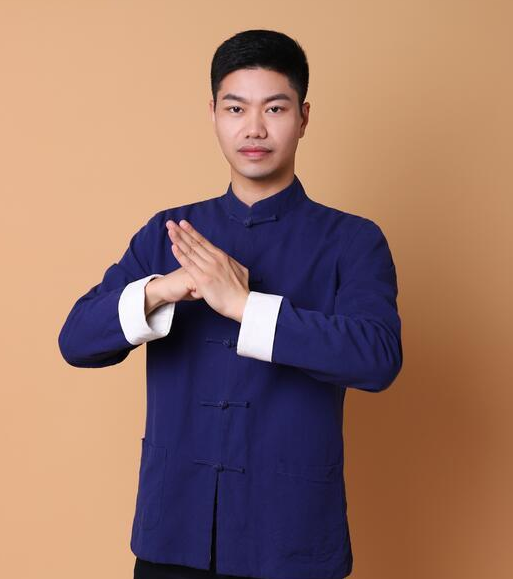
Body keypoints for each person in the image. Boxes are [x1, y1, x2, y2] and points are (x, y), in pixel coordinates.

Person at [58, 28, 403, 579]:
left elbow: (378, 357)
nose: (254, 128)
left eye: (275, 108)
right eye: (236, 108)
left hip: (290, 537)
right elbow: (76, 341)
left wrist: (245, 306)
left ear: (304, 117)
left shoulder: (352, 240)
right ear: (213, 114)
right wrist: (161, 289)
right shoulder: (168, 233)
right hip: (172, 531)